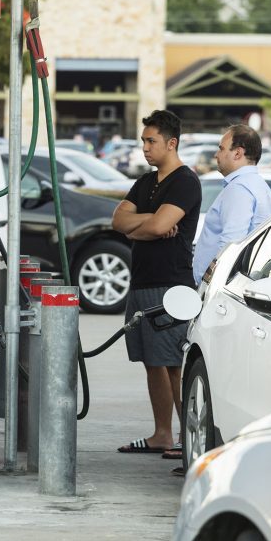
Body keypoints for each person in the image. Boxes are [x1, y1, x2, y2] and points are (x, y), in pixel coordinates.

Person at [111, 109, 201, 458]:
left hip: (171, 285)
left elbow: (162, 228)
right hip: (142, 283)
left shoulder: (185, 181)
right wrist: (149, 221)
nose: (145, 148)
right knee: (151, 360)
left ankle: (188, 437)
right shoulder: (147, 182)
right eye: (143, 141)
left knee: (173, 363)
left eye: (151, 141)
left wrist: (147, 225)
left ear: (171, 142)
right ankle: (162, 434)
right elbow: (118, 220)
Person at [192, 125, 271, 285]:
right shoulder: (255, 184)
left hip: (218, 290)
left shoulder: (240, 188)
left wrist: (208, 287)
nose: (216, 154)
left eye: (221, 149)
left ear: (238, 153)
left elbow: (230, 244)